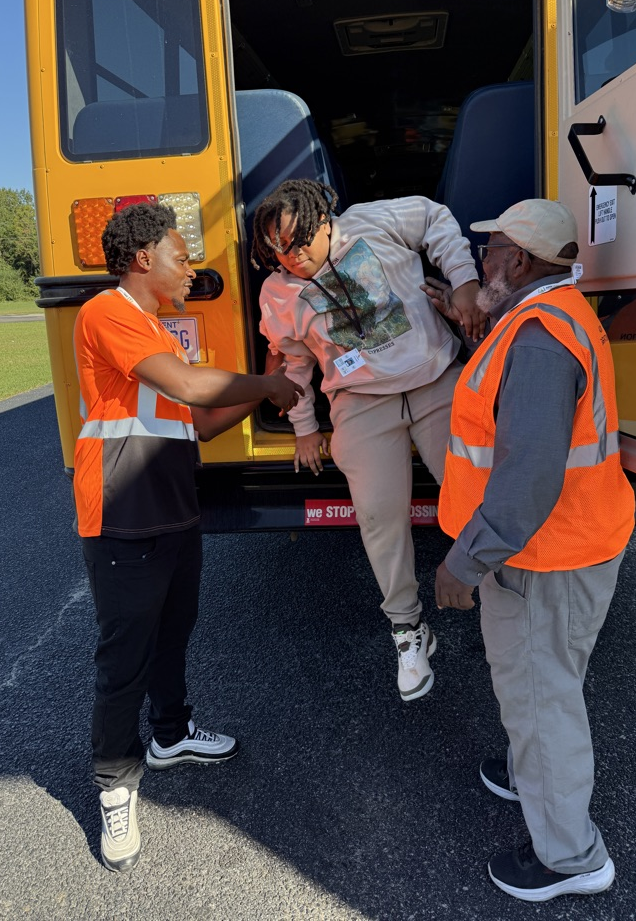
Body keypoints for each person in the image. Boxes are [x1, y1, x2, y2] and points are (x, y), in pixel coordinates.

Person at [73, 202, 302, 873]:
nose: (191, 269)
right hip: (122, 513)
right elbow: (188, 386)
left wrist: (269, 394)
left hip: (173, 508)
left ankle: (170, 735)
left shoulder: (155, 331)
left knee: (172, 636)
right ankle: (115, 786)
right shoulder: (107, 311)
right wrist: (267, 381)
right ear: (143, 258)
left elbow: (197, 422)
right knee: (125, 660)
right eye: (180, 257)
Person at [433, 198, 635, 901]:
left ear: (517, 261)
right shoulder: (551, 315)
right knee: (545, 683)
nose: (480, 259)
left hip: (543, 556)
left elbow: (527, 479)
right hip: (569, 541)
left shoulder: (540, 340)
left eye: (489, 250)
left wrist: (464, 563)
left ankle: (571, 858)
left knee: (543, 700)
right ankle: (532, 774)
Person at [252, 179, 486, 701]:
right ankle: (408, 629)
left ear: (324, 223)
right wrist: (305, 429)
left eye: (298, 242)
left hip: (434, 379)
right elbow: (295, 362)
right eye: (277, 249)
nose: (291, 257)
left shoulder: (371, 221)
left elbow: (435, 218)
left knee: (472, 494)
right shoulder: (278, 292)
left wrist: (464, 281)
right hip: (359, 401)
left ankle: (504, 596)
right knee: (379, 516)